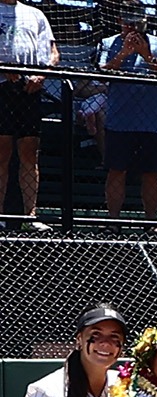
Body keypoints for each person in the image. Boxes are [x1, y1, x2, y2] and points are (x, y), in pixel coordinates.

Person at [96, 7, 157, 223]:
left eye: (137, 22)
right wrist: (123, 54)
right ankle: (113, 222)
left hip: (151, 121)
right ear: (120, 20)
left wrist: (146, 56)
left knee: (151, 173)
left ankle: (151, 222)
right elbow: (102, 73)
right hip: (119, 120)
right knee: (116, 171)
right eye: (128, 22)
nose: (132, 27)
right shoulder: (108, 43)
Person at [0, 0, 57, 231]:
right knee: (2, 152)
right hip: (2, 89)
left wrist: (41, 75)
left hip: (29, 90)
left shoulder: (36, 14)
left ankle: (30, 216)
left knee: (29, 152)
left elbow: (53, 53)